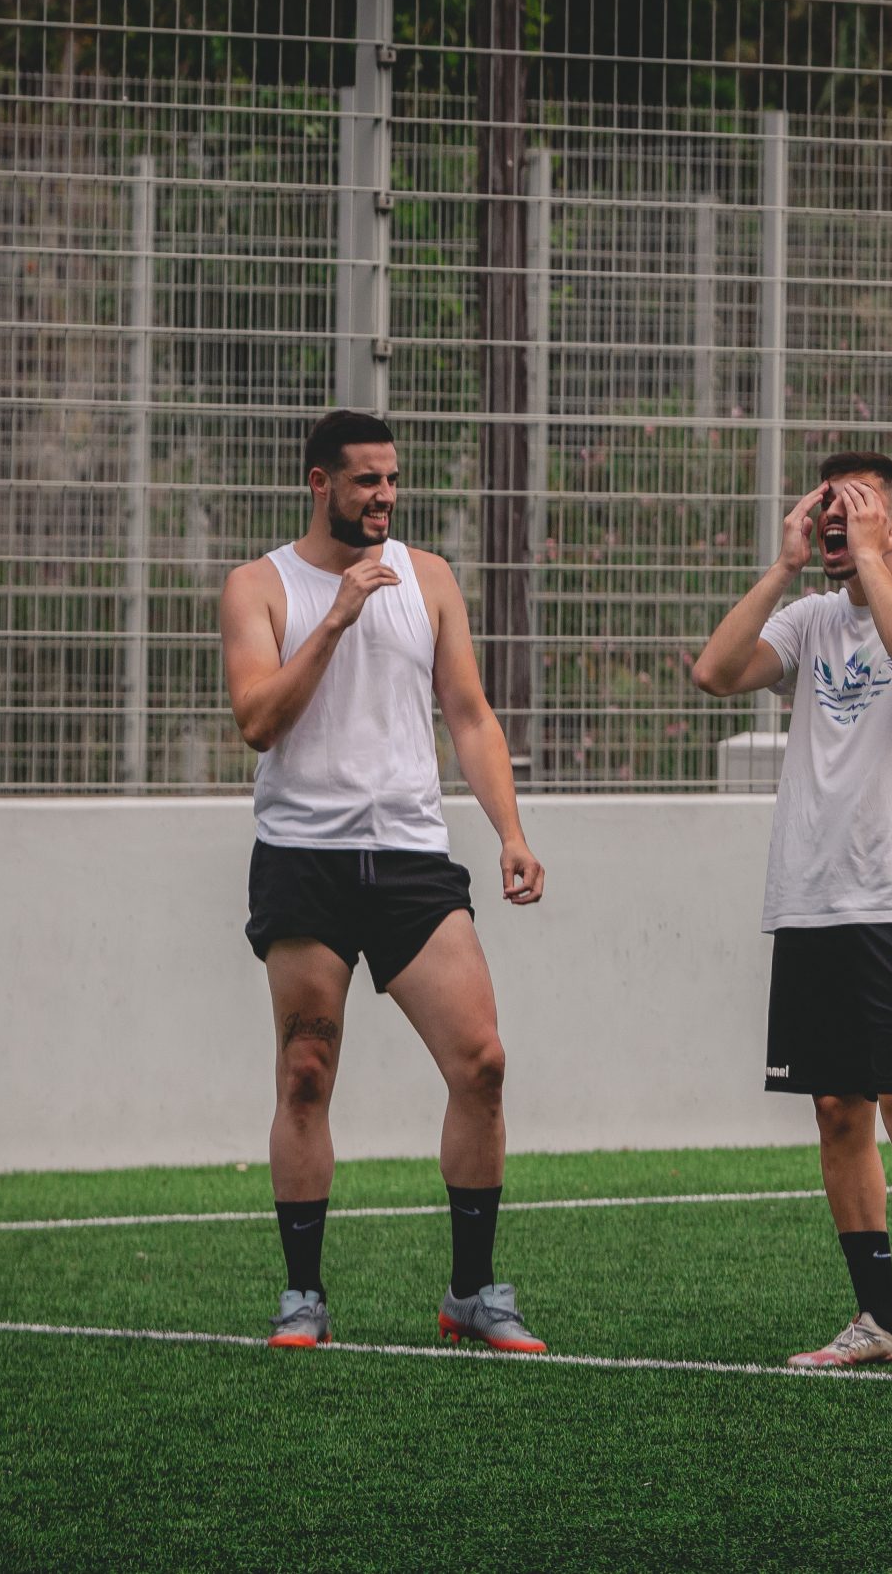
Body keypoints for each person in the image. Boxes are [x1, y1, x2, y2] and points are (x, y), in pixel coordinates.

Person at [219, 409, 548, 1352]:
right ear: (318, 483)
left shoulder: (430, 577)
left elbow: (470, 715)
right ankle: (302, 1297)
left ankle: (473, 1292)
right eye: (365, 480)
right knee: (307, 1072)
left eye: (392, 479)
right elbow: (257, 720)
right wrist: (335, 618)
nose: (385, 497)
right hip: (303, 860)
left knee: (481, 1062)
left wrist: (510, 832)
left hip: (409, 859)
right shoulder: (259, 586)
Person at [691, 451, 892, 1380]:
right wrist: (784, 564)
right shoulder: (810, 613)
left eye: (854, 513)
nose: (833, 527)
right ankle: (877, 1316)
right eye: (825, 514)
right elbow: (715, 672)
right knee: (835, 1111)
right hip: (809, 900)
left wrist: (867, 559)